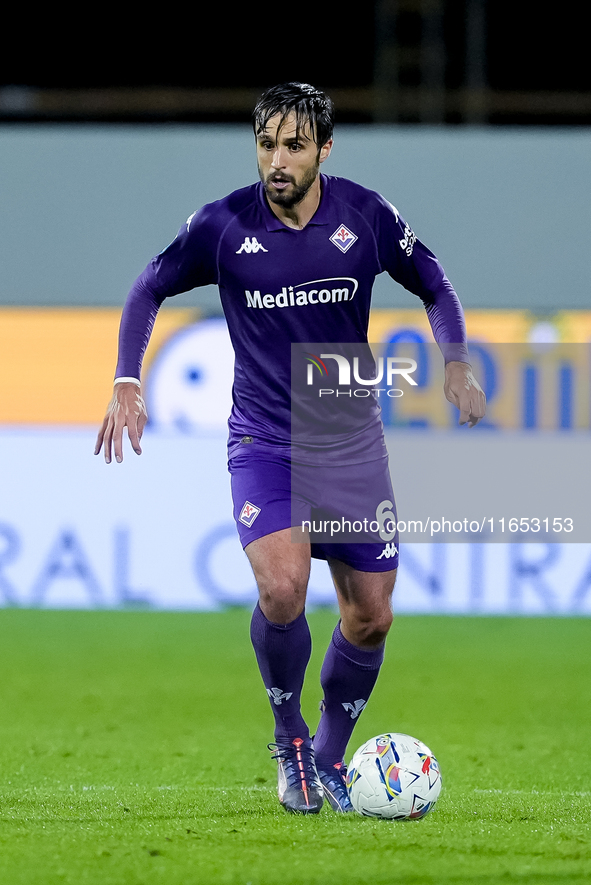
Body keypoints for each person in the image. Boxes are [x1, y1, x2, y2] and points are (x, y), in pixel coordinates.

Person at [95, 82, 485, 815]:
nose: (277, 160)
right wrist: (127, 376)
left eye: (294, 146)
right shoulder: (222, 226)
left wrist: (455, 360)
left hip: (346, 437)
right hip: (264, 439)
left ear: (323, 150)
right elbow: (149, 286)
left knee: (370, 614)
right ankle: (290, 741)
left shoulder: (364, 218)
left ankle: (331, 757)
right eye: (267, 144)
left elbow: (432, 281)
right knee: (281, 587)